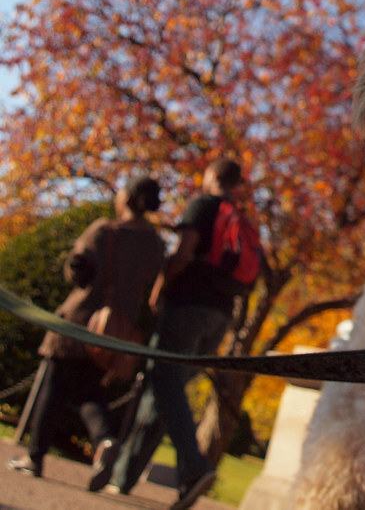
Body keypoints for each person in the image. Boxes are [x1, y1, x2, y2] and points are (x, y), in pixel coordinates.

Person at [106, 158, 250, 510]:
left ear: (214, 175)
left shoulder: (203, 205)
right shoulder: (240, 217)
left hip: (188, 307)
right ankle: (123, 478)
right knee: (164, 393)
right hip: (219, 315)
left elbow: (183, 253)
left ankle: (194, 468)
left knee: (164, 383)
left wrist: (160, 287)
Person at [8, 176, 164, 492]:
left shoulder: (105, 229)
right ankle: (105, 439)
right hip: (115, 330)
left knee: (53, 387)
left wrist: (77, 265)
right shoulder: (156, 245)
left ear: (129, 198)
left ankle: (35, 457)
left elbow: (77, 273)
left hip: (80, 320)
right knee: (88, 392)